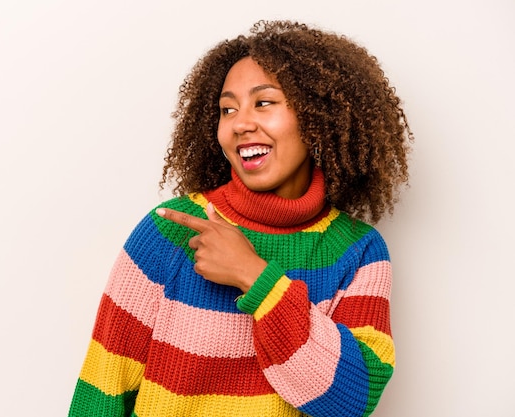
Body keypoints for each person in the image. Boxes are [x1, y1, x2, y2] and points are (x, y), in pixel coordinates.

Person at [68, 20, 412, 417]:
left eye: (263, 102)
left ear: (319, 116)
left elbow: (351, 400)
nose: (240, 123)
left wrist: (256, 277)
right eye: (227, 109)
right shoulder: (171, 229)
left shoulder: (358, 250)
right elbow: (102, 387)